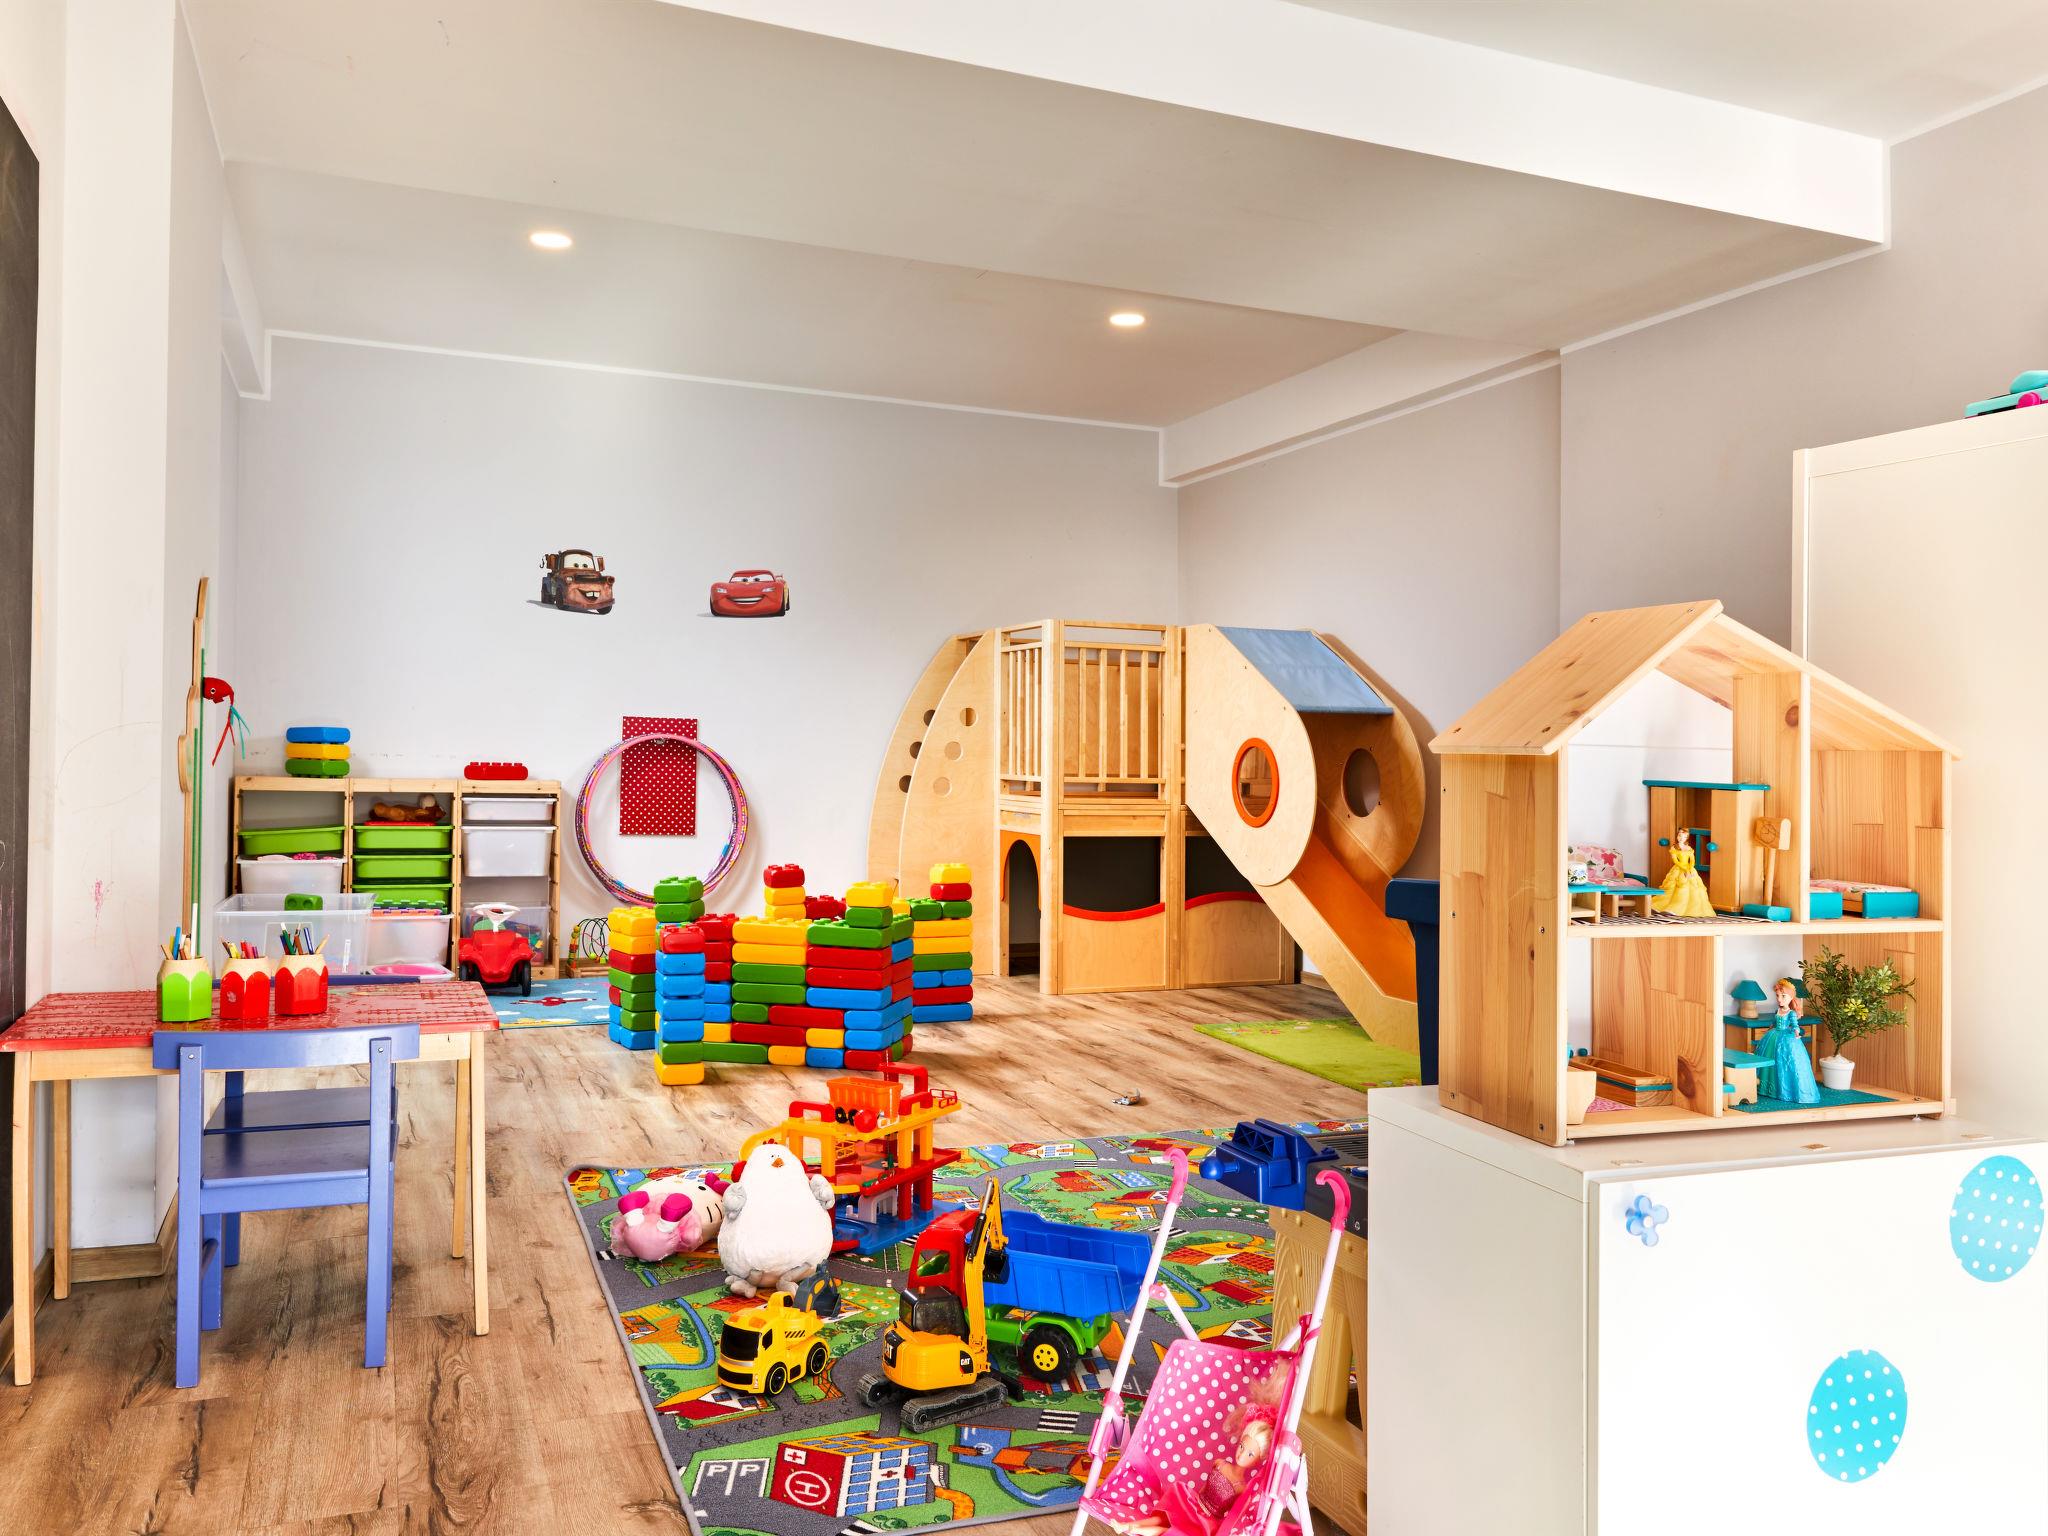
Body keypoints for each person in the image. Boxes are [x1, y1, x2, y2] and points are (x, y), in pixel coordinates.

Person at [1758, 978, 1819, 1105]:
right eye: (1778, 996)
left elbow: (1795, 1025)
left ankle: (1786, 1091)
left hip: (1786, 1038)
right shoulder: (1778, 1011)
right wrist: (1769, 1029)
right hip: (1773, 1036)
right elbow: (1774, 1022)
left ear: (1791, 997)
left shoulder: (1791, 1013)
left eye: (1783, 996)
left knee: (1786, 1062)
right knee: (1769, 1059)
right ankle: (1767, 1088)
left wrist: (1796, 1032)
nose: (1779, 999)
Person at [1651, 826, 1715, 918]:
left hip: (1689, 869)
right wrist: (1685, 870)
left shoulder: (1689, 848)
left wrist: (1690, 869)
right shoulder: (1674, 848)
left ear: (1687, 838)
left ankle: (1690, 910)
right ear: (1677, 836)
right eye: (1680, 835)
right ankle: (1664, 907)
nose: (1682, 838)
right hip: (1679, 869)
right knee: (1674, 888)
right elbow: (1676, 861)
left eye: (1684, 836)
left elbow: (1692, 860)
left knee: (1695, 889)